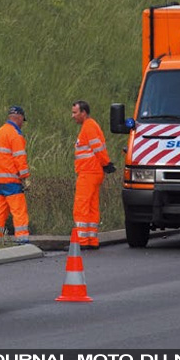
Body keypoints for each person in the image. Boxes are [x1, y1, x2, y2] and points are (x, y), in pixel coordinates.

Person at [71, 100, 116, 249]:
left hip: (88, 172)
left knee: (81, 206)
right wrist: (105, 164)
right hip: (94, 172)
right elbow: (98, 148)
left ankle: (82, 241)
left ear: (83, 113)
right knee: (91, 206)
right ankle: (91, 239)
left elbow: (97, 148)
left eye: (75, 113)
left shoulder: (88, 126)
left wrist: (106, 163)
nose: (73, 116)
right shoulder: (91, 125)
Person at [0, 105, 31, 244]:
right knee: (19, 212)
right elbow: (19, 158)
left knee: (0, 214)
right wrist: (25, 178)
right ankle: (22, 239)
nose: (22, 123)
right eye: (22, 120)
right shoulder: (15, 135)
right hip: (12, 181)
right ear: (19, 118)